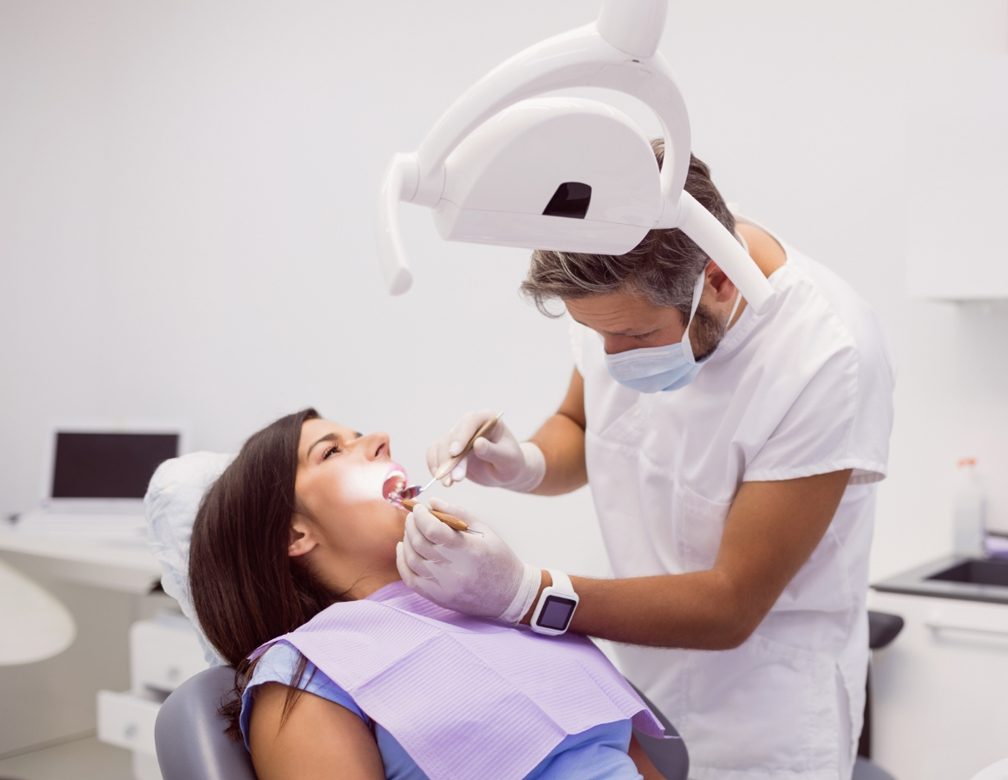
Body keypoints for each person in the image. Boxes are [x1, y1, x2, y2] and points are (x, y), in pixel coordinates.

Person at [398, 142, 896, 780]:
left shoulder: (827, 354)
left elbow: (729, 604)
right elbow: (583, 426)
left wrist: (527, 595)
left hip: (767, 710)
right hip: (640, 685)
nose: (612, 357)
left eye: (633, 337)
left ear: (717, 278)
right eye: (595, 332)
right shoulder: (619, 262)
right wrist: (523, 460)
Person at [187, 408, 667, 780]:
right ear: (294, 536)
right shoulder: (306, 674)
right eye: (331, 452)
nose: (379, 439)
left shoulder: (496, 602)